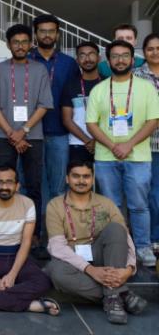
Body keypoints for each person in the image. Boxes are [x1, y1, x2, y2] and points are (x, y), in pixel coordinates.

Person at [45, 160, 147, 325]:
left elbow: (126, 238)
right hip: (72, 260)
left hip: (101, 256)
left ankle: (113, 297)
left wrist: (129, 269)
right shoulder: (55, 205)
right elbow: (57, 247)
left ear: (92, 179)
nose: (81, 181)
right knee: (57, 272)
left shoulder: (106, 203)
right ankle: (119, 295)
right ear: (67, 179)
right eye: (76, 176)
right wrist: (90, 270)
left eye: (86, 176)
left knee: (116, 229)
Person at [86, 40, 159, 267]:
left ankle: (143, 247)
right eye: (115, 56)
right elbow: (91, 124)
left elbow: (153, 120)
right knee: (112, 206)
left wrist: (128, 145)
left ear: (132, 59)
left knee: (139, 205)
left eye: (125, 55)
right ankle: (118, 247)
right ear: (108, 61)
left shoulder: (146, 87)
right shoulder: (99, 89)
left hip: (138, 157)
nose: (120, 60)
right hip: (106, 158)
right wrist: (112, 145)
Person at [0, 24, 53, 248]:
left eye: (24, 42)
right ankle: (3, 231)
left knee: (33, 186)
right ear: (8, 45)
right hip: (3, 136)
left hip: (33, 136)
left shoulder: (40, 70)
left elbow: (44, 105)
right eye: (16, 42)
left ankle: (34, 234)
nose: (20, 46)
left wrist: (22, 131)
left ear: (31, 44)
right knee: (4, 185)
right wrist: (11, 133)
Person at [0, 165, 59, 316]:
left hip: (17, 258)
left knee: (43, 282)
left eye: (9, 182)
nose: (4, 187)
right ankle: (29, 305)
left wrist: (13, 274)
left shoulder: (27, 204)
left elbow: (26, 242)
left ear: (17, 186)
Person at [29, 14, 79, 201]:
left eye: (51, 31)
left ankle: (55, 221)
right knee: (29, 185)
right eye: (42, 31)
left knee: (58, 188)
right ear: (35, 34)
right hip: (30, 132)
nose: (47, 35)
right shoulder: (26, 60)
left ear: (57, 35)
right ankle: (31, 221)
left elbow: (75, 97)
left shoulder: (69, 63)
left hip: (59, 131)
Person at [134, 33, 159, 254]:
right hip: (146, 144)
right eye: (150, 49)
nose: (155, 52)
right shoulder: (136, 76)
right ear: (144, 52)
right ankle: (152, 238)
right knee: (150, 193)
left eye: (158, 48)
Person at [61, 41, 102, 163]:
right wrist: (87, 140)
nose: (87, 59)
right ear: (77, 60)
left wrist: (98, 140)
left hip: (105, 144)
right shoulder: (70, 85)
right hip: (77, 143)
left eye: (91, 54)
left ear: (99, 58)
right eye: (82, 55)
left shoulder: (108, 83)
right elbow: (67, 119)